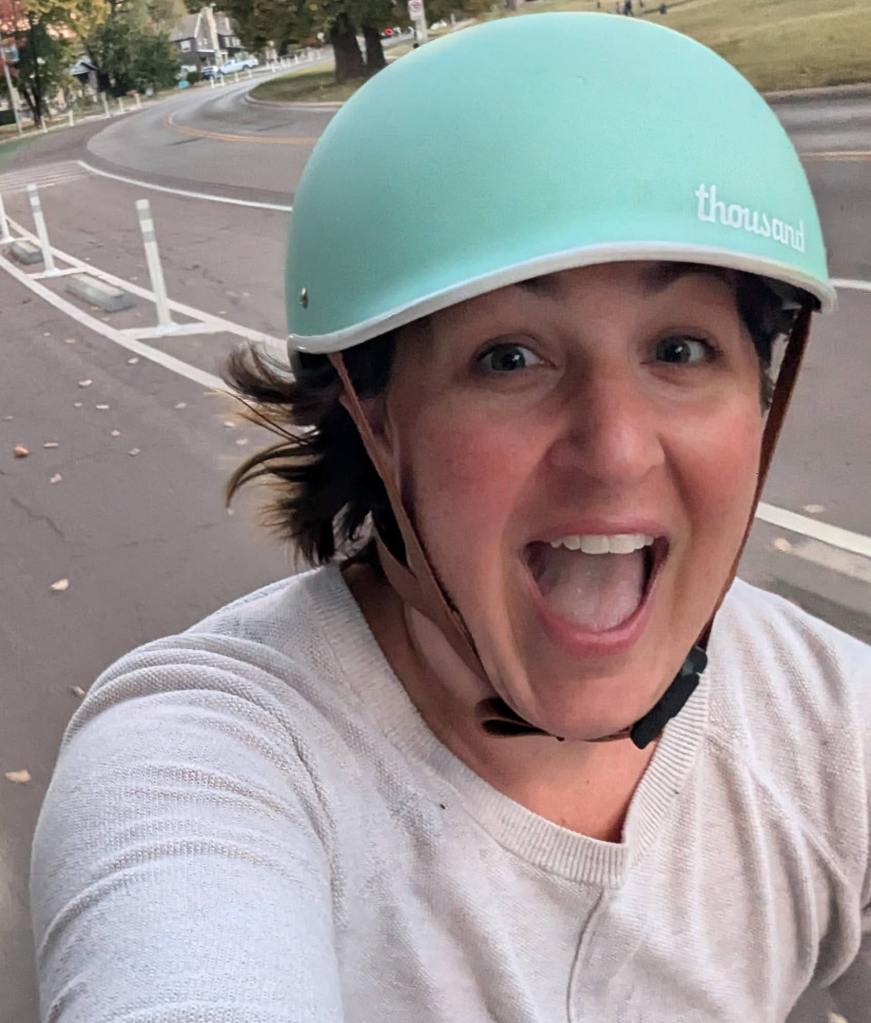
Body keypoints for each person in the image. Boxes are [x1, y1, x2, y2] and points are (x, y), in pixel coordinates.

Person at [31, 13, 869, 1023]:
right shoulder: (209, 760)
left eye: (681, 350)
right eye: (509, 357)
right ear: (373, 413)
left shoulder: (828, 725)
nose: (613, 449)